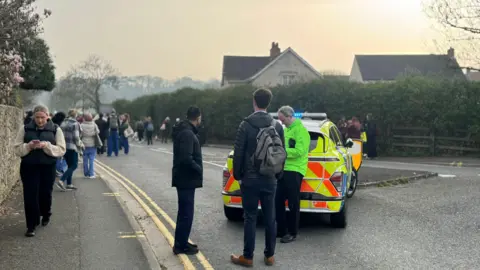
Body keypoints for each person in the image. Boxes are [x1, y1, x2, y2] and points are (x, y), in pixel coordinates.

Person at [231, 88, 285, 267]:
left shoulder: (245, 125)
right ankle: (269, 256)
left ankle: (248, 257)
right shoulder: (277, 125)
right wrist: (278, 174)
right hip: (270, 178)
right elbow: (280, 152)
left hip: (250, 179)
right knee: (271, 217)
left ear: (254, 102)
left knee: (250, 216)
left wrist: (238, 175)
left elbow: (238, 153)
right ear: (268, 103)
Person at [13, 105, 66, 237]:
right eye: (37, 117)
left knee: (45, 193)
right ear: (33, 117)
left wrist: (46, 146)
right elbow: (17, 149)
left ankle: (46, 213)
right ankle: (31, 225)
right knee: (30, 195)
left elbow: (61, 149)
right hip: (29, 167)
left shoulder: (55, 129)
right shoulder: (25, 128)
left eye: (43, 117)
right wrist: (29, 146)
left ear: (48, 116)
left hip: (48, 167)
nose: (40, 120)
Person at [275, 105, 310, 243]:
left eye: (283, 119)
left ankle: (292, 232)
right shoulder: (286, 130)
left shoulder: (301, 131)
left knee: (293, 203)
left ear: (290, 116)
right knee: (277, 201)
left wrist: (282, 152)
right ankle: (282, 230)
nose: (281, 122)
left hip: (295, 170)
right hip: (284, 170)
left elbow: (300, 151)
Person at [171, 106, 203, 255]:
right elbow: (186, 158)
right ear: (198, 117)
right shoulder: (187, 133)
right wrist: (199, 168)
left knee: (184, 212)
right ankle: (180, 246)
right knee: (186, 213)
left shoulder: (185, 131)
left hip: (184, 178)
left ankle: (182, 242)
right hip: (186, 178)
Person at [58, 109, 84, 191]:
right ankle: (62, 180)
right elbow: (76, 137)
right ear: (75, 115)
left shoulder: (63, 123)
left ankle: (69, 184)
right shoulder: (75, 124)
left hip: (64, 147)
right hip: (72, 147)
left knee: (69, 165)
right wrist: (81, 145)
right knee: (74, 165)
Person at [80, 113, 101, 178]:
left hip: (84, 144)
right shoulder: (94, 125)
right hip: (92, 144)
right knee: (91, 160)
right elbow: (98, 132)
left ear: (84, 118)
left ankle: (86, 173)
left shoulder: (81, 125)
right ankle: (91, 174)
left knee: (85, 159)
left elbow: (80, 135)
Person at [51, 111, 67, 177]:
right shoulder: (59, 124)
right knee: (58, 157)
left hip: (52, 141)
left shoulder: (52, 121)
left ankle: (55, 170)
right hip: (56, 141)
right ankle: (57, 170)